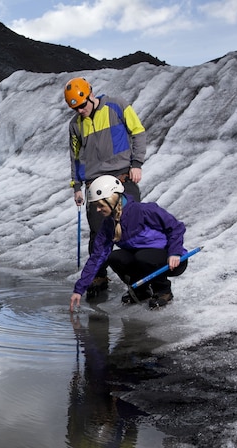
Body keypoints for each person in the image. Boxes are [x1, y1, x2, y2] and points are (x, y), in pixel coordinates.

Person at [64, 77, 147, 297]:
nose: (80, 110)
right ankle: (99, 276)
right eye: (75, 108)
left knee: (131, 227)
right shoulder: (75, 125)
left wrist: (136, 164)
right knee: (98, 232)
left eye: (82, 105)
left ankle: (141, 280)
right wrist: (77, 187)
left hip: (122, 179)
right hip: (94, 185)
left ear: (91, 94)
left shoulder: (117, 106)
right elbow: (76, 157)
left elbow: (138, 131)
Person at [69, 175, 189, 312]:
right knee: (114, 257)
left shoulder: (143, 211)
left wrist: (175, 252)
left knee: (143, 256)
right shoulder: (109, 224)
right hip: (142, 259)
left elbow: (176, 227)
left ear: (111, 200)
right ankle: (140, 290)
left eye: (100, 205)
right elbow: (97, 257)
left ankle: (163, 291)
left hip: (171, 260)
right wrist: (79, 289)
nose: (97, 210)